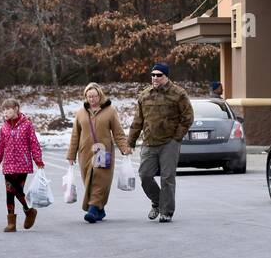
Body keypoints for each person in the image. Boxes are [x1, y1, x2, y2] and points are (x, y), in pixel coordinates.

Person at [129, 63, 193, 223]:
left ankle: (166, 212)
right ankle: (157, 202)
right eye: (153, 75)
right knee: (145, 176)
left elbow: (188, 117)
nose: (155, 78)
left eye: (159, 75)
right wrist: (130, 141)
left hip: (169, 143)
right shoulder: (144, 95)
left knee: (167, 178)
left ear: (166, 76)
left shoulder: (178, 94)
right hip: (149, 142)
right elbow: (138, 121)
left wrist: (176, 138)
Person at [66, 83, 130, 223]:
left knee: (100, 180)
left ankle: (93, 209)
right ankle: (99, 210)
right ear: (85, 97)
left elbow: (118, 132)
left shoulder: (110, 111)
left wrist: (124, 147)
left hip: (104, 151)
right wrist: (71, 155)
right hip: (85, 152)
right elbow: (75, 135)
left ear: (99, 95)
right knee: (88, 180)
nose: (92, 99)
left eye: (94, 96)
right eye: (89, 96)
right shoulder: (80, 113)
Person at [0, 101, 44, 232]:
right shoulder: (4, 127)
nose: (6, 112)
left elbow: (34, 143)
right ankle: (12, 223)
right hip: (8, 164)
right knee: (9, 192)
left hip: (22, 164)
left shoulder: (27, 125)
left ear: (16, 109)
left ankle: (28, 210)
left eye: (8, 109)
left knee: (17, 190)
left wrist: (38, 160)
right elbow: (0, 148)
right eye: (4, 110)